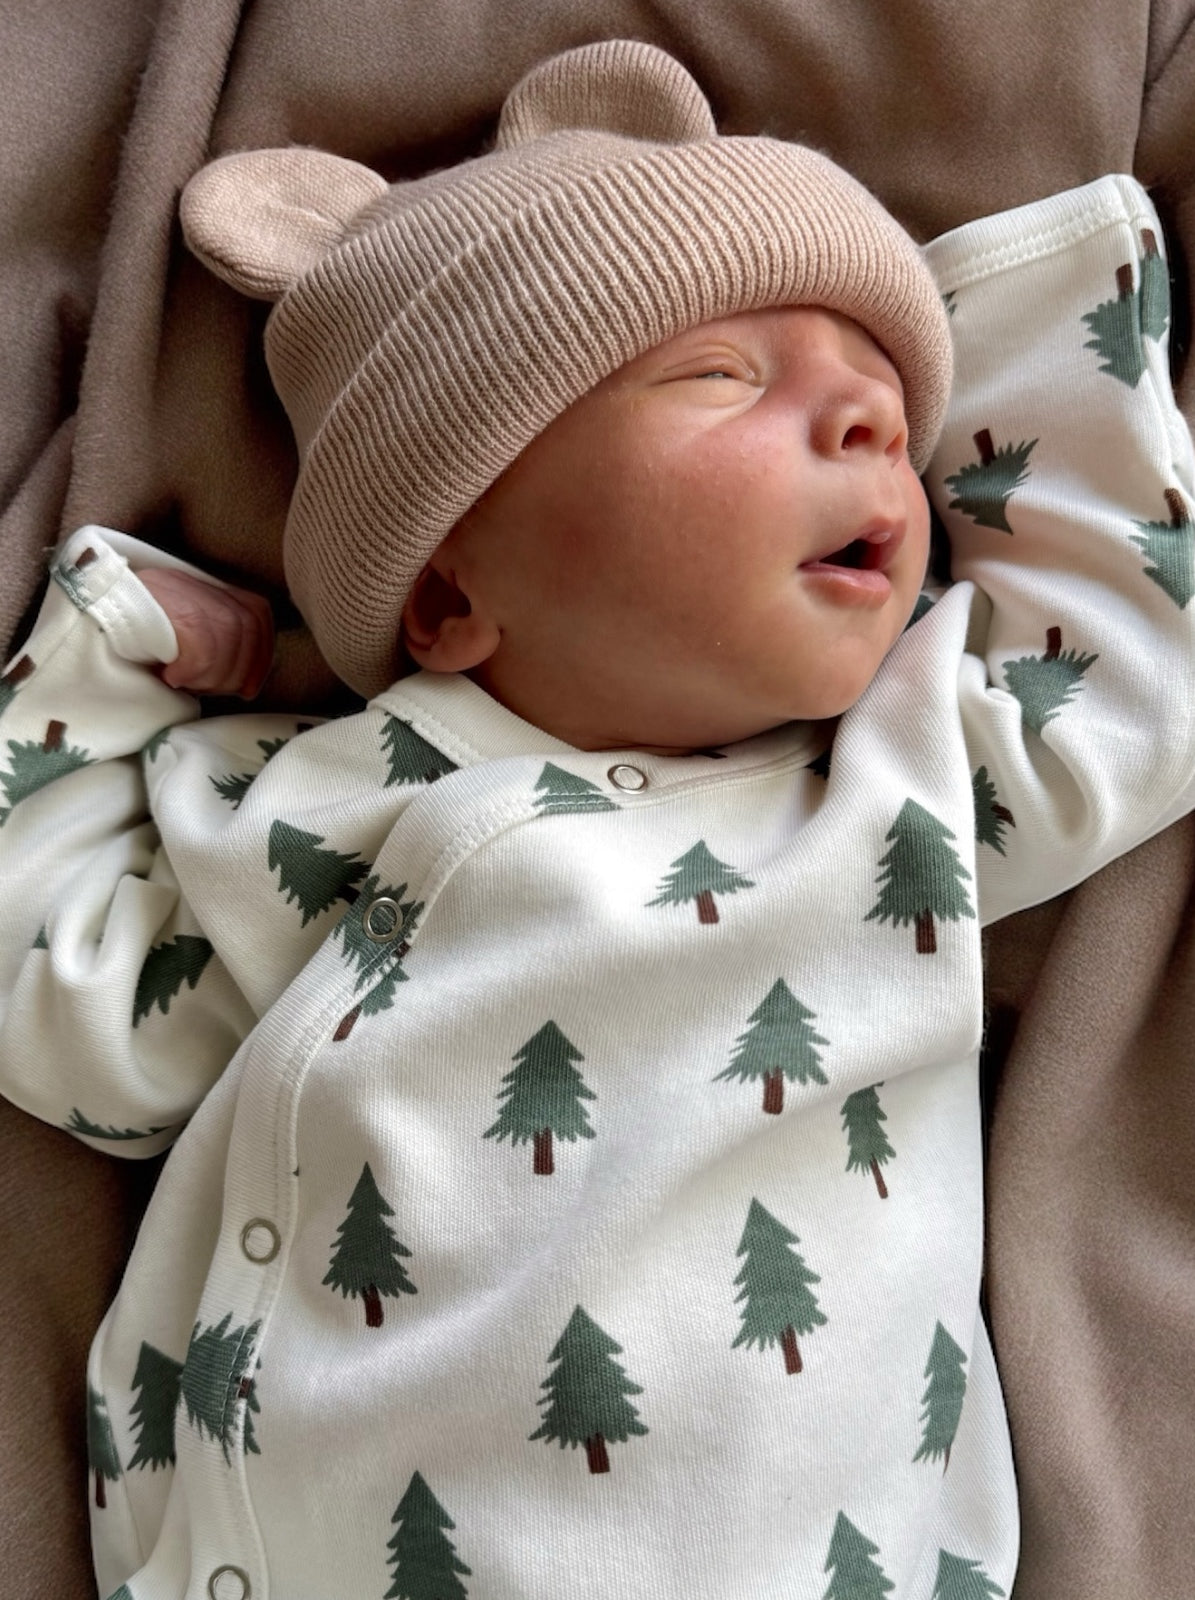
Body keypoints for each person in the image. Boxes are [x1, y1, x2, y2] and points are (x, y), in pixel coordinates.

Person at [0, 36, 1191, 1600]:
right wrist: (112, 661)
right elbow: (84, 1014)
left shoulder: (899, 781)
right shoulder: (332, 798)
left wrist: (1027, 292)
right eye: (725, 374)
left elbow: (1132, 651)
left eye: (895, 411)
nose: (867, 426)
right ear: (447, 588)